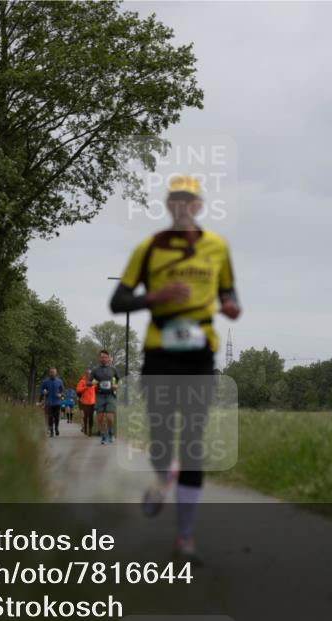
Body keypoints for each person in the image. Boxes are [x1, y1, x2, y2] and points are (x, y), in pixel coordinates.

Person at [109, 174, 241, 563]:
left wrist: (231, 305)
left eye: (189, 200)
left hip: (200, 353)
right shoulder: (148, 248)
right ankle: (164, 471)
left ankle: (185, 536)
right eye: (176, 200)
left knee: (193, 442)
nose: (183, 206)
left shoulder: (217, 247)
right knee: (162, 437)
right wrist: (155, 296)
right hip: (160, 352)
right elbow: (118, 301)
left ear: (198, 206)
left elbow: (228, 291)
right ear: (169, 206)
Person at [88, 350, 120, 445]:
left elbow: (119, 379)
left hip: (110, 395)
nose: (103, 359)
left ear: (108, 358)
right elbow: (88, 382)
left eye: (105, 357)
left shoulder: (113, 369)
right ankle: (103, 436)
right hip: (99, 395)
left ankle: (110, 432)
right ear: (99, 358)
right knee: (100, 418)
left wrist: (116, 385)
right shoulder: (95, 370)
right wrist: (93, 382)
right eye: (102, 357)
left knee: (110, 417)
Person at [38, 368, 65, 437]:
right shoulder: (45, 381)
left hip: (57, 402)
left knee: (56, 417)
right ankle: (51, 431)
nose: (52, 373)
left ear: (56, 373)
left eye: (53, 372)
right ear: (49, 373)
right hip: (48, 402)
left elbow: (63, 391)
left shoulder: (59, 381)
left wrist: (60, 394)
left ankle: (56, 428)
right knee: (50, 417)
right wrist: (44, 392)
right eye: (51, 372)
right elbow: (41, 390)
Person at [75, 368, 96, 435]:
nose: (89, 375)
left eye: (90, 374)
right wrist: (85, 388)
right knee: (85, 416)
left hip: (92, 402)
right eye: (88, 374)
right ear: (86, 374)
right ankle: (85, 428)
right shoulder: (82, 381)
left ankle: (90, 430)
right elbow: (78, 390)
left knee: (91, 416)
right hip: (84, 402)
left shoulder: (94, 382)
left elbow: (97, 389)